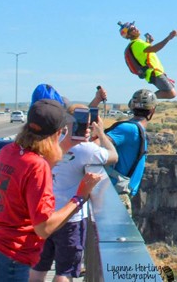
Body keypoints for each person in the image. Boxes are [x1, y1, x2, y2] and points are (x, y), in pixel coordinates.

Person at [0, 100, 104, 281]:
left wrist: (67, 144)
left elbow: (33, 166)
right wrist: (79, 197)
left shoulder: (9, 151)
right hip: (13, 257)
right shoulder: (37, 166)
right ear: (57, 133)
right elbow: (44, 228)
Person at [29, 99, 119, 282]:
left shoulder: (50, 143)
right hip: (70, 219)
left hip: (44, 214)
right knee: (65, 271)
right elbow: (113, 156)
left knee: (38, 268)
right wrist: (101, 133)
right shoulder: (86, 150)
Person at [105, 89, 155, 215]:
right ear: (152, 110)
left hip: (118, 191)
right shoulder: (129, 129)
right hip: (116, 194)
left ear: (131, 107)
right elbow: (96, 145)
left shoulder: (134, 129)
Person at [119, 21, 177, 99]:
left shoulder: (138, 43)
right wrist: (168, 38)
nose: (136, 29)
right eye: (132, 29)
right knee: (171, 93)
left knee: (170, 93)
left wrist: (148, 42)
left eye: (135, 27)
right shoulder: (137, 44)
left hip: (154, 73)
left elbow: (146, 54)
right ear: (129, 35)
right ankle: (142, 99)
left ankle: (144, 99)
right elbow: (154, 49)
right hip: (154, 73)